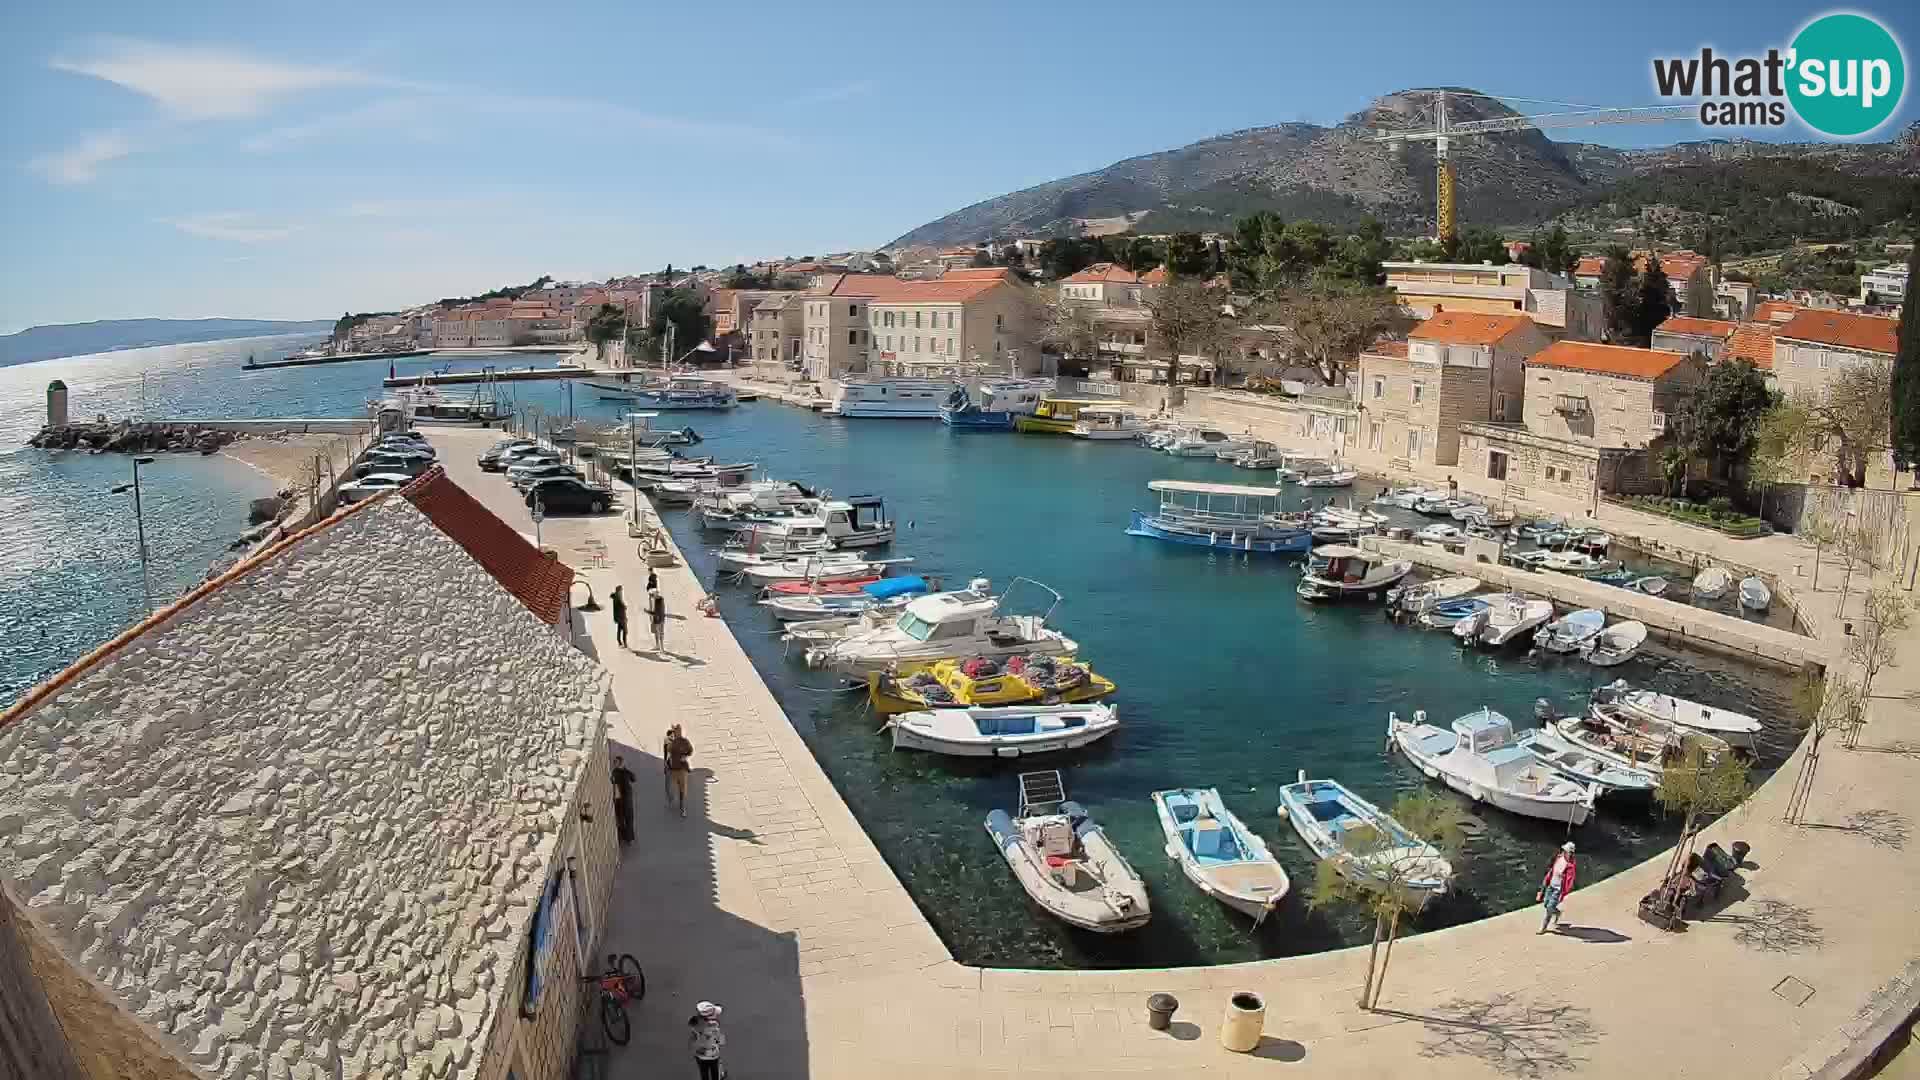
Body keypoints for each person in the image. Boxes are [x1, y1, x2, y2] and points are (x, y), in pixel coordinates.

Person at [1537, 841, 1578, 933]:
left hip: (1558, 889)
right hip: (1551, 885)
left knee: (1550, 907)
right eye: (1568, 852)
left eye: (1571, 853)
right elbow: (1551, 871)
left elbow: (1569, 882)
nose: (1570, 854)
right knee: (1546, 904)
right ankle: (1557, 913)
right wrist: (1542, 888)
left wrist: (1563, 893)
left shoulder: (1570, 866)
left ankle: (1543, 927)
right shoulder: (1558, 858)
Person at [688, 1001, 725, 1079]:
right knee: (715, 1073)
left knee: (704, 1074)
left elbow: (692, 1040)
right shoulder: (714, 1027)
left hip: (700, 1055)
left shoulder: (695, 1025)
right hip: (713, 1055)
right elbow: (720, 1041)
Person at [664, 724, 694, 818]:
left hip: (681, 769)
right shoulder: (670, 741)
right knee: (669, 788)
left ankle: (682, 808)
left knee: (682, 789)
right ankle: (671, 798)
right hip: (671, 769)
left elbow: (690, 751)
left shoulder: (685, 741)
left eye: (679, 731)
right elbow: (667, 753)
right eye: (676, 731)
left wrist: (686, 756)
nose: (678, 733)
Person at [610, 755, 637, 846]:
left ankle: (626, 837)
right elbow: (634, 779)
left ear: (620, 763)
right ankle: (627, 838)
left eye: (616, 762)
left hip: (624, 799)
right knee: (624, 818)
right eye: (614, 762)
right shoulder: (622, 772)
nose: (614, 763)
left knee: (626, 818)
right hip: (622, 799)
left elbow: (633, 779)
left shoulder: (618, 772)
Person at [647, 585, 667, 653]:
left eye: (651, 595)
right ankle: (657, 645)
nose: (650, 596)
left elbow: (656, 612)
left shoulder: (659, 601)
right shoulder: (653, 599)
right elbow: (652, 607)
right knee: (655, 632)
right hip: (655, 618)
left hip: (659, 618)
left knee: (660, 633)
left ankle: (662, 648)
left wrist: (647, 612)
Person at [610, 585, 629, 650]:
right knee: (625, 630)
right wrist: (625, 606)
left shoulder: (616, 597)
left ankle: (619, 641)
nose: (622, 591)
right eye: (621, 590)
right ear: (619, 591)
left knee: (620, 629)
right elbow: (622, 607)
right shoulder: (618, 598)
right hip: (622, 616)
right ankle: (624, 642)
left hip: (619, 617)